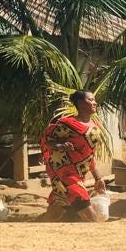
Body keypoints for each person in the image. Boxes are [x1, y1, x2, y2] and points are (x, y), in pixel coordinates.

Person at [36, 90, 106, 222]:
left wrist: (98, 178)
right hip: (65, 173)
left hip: (79, 174)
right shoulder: (66, 124)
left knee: (57, 210)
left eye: (94, 100)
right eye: (90, 100)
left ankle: (34, 229)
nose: (94, 103)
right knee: (87, 209)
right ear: (80, 103)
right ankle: (98, 235)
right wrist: (60, 146)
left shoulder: (95, 127)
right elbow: (46, 141)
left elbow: (90, 156)